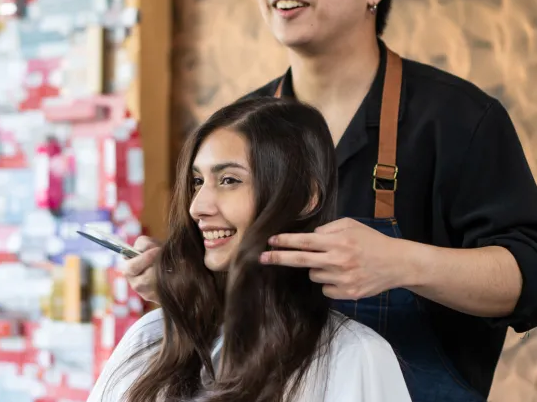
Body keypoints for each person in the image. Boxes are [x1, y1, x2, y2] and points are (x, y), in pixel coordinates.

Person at [123, 0, 537, 401]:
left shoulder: (458, 120)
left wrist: (402, 262)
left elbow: (529, 271)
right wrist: (185, 287)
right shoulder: (238, 127)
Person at [89, 97, 412, 402]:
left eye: (229, 180)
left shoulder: (355, 357)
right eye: (197, 182)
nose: (197, 207)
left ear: (305, 198)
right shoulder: (150, 339)